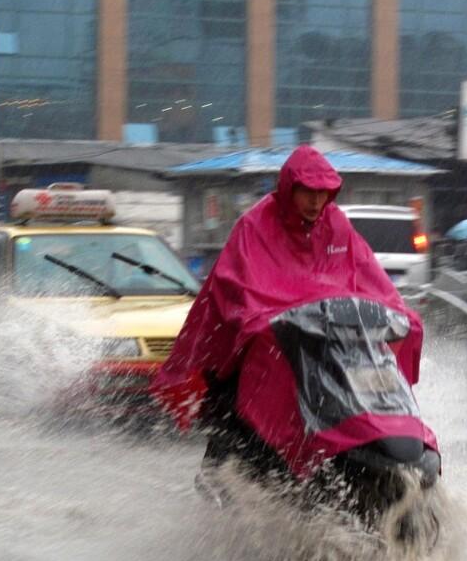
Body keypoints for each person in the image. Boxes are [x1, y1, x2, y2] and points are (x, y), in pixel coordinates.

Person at [151, 145, 428, 487]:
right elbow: (239, 284)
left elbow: (366, 274)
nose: (315, 202)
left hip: (323, 337)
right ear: (289, 189)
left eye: (322, 193)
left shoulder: (336, 224)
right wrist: (262, 318)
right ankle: (251, 465)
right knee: (243, 394)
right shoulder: (254, 225)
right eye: (308, 193)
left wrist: (400, 313)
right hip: (264, 337)